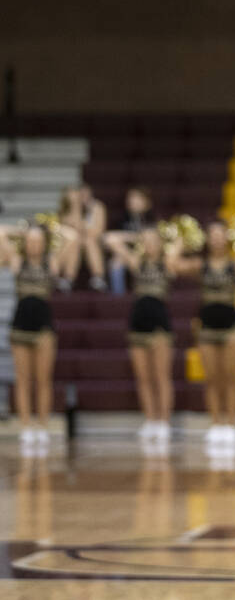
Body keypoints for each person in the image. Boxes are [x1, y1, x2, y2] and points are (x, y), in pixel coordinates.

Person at [175, 220, 235, 454]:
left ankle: (231, 424)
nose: (217, 239)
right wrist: (183, 239)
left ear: (227, 237)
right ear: (208, 239)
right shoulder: (201, 265)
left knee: (230, 377)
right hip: (207, 325)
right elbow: (172, 264)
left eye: (221, 234)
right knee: (211, 378)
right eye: (213, 235)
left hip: (232, 325)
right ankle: (215, 424)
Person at [105, 227, 184, 447]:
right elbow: (111, 239)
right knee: (143, 377)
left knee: (161, 376)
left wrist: (168, 237)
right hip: (138, 320)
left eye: (153, 241)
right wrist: (135, 237)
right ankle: (150, 420)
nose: (149, 244)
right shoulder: (137, 263)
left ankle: (164, 421)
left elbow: (180, 240)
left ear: (160, 244)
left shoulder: (167, 263)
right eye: (146, 241)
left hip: (160, 320)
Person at [1, 222, 76, 452]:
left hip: (44, 325)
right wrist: (22, 231)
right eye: (30, 241)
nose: (34, 244)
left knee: (43, 379)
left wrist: (51, 228)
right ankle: (26, 427)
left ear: (44, 243)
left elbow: (72, 238)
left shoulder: (50, 263)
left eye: (38, 241)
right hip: (21, 324)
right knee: (23, 380)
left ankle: (42, 426)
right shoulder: (17, 261)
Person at [60, 185, 108, 291]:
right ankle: (68, 279)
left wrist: (83, 233)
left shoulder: (98, 207)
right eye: (80, 195)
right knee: (75, 241)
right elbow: (71, 229)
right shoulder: (68, 210)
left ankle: (98, 278)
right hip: (74, 245)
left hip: (95, 244)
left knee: (89, 241)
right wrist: (75, 207)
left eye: (86, 194)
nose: (83, 197)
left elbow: (98, 232)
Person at [109, 186, 155, 295]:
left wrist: (129, 237)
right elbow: (107, 237)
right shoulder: (122, 218)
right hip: (128, 254)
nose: (131, 201)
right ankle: (119, 296)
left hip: (146, 254)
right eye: (130, 198)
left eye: (136, 198)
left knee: (118, 255)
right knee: (116, 261)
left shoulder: (151, 218)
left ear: (146, 202)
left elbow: (153, 239)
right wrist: (134, 237)